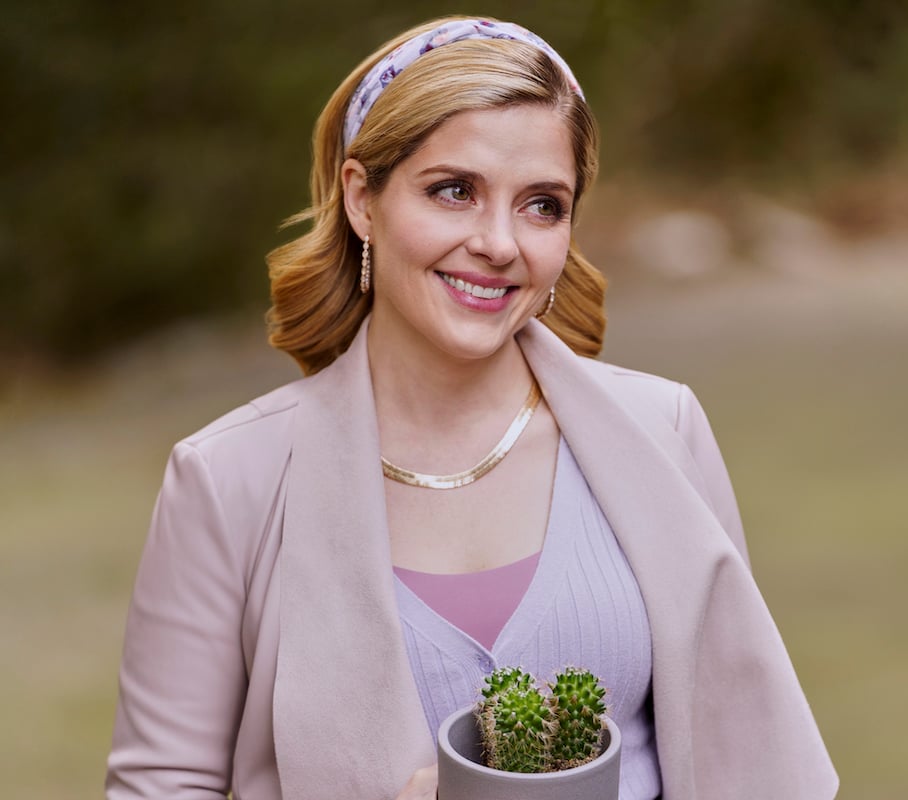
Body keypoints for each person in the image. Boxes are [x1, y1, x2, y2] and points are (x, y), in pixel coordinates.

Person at [105, 15, 837, 800]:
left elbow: (748, 754)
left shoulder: (665, 430)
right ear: (362, 199)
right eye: (454, 191)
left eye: (542, 205)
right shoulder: (226, 481)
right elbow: (161, 786)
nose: (498, 242)